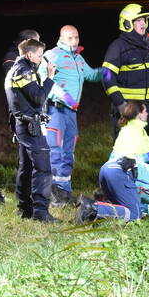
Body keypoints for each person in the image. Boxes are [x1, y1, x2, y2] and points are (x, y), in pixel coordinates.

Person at [43, 25, 104, 202]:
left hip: (71, 113)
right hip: (56, 110)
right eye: (70, 38)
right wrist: (63, 96)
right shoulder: (52, 54)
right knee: (56, 151)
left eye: (76, 37)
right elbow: (43, 79)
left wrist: (109, 72)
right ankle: (53, 193)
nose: (74, 41)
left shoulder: (78, 58)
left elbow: (91, 75)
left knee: (68, 152)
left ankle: (64, 191)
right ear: (61, 38)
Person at [4, 38, 59, 222]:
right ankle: (41, 213)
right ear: (29, 54)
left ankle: (25, 209)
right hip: (30, 127)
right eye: (39, 55)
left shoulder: (15, 69)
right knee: (43, 169)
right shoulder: (24, 71)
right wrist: (50, 78)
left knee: (26, 168)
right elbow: (38, 98)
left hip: (22, 125)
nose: (41, 59)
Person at [102, 4, 149, 139]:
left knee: (145, 145)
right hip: (129, 108)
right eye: (138, 20)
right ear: (127, 24)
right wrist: (121, 105)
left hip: (147, 108)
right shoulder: (118, 46)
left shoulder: (148, 46)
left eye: (144, 20)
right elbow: (107, 77)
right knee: (127, 148)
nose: (143, 24)